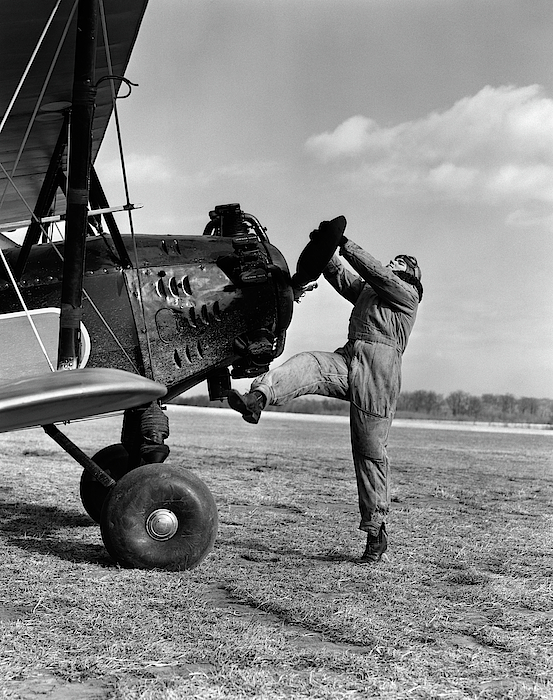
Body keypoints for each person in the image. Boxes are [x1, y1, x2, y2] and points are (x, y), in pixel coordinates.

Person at [228, 223, 423, 564]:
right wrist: (324, 249)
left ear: (410, 276)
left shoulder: (406, 297)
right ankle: (258, 398)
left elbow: (374, 271)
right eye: (392, 260)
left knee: (369, 452)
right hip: (349, 360)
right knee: (307, 364)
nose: (392, 263)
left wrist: (344, 243)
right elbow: (340, 275)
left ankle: (376, 532)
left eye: (400, 262)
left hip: (379, 375)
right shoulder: (370, 292)